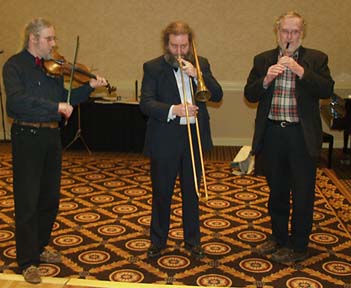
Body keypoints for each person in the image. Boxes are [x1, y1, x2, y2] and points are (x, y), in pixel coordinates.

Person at [3, 18, 107, 284]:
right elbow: (16, 103)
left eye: (54, 39)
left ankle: (39, 246)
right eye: (49, 39)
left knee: (49, 198)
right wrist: (55, 108)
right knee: (27, 200)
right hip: (27, 135)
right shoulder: (14, 66)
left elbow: (66, 99)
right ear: (33, 39)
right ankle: (27, 262)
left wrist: (88, 88)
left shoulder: (52, 69)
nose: (54, 44)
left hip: (51, 136)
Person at [244, 11, 334, 263]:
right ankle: (279, 238)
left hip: (300, 135)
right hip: (272, 133)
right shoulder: (262, 59)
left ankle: (299, 245)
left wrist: (300, 71)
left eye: (295, 31)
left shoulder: (316, 59)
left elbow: (327, 89)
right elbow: (250, 94)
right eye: (285, 31)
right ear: (277, 32)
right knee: (277, 191)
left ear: (302, 33)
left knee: (303, 193)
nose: (289, 36)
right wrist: (266, 79)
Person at [140, 21, 223, 259]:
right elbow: (146, 103)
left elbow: (217, 95)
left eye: (184, 46)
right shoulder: (153, 67)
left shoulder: (201, 63)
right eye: (174, 46)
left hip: (193, 139)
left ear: (190, 44)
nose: (179, 51)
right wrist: (173, 109)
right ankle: (158, 241)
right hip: (165, 139)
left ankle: (193, 241)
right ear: (167, 44)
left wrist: (197, 75)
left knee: (192, 192)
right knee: (162, 193)